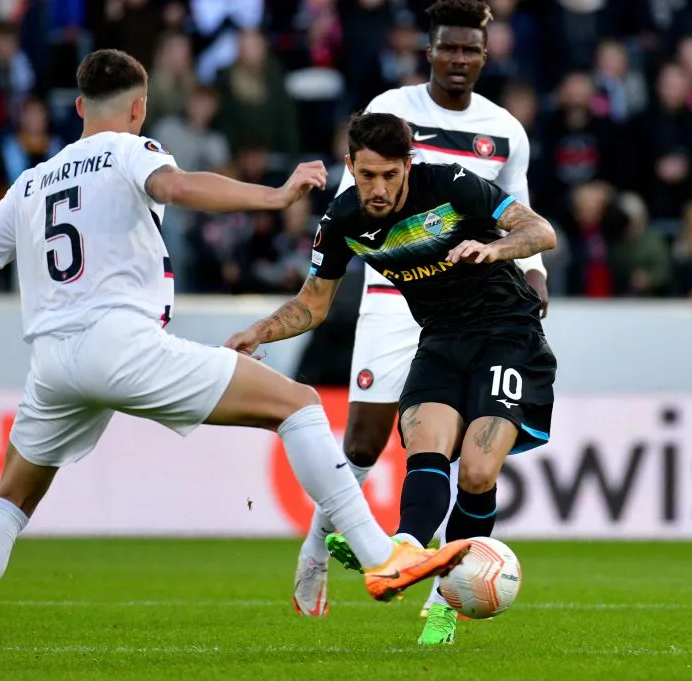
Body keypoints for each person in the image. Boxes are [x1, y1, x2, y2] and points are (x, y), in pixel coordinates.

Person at [0, 50, 468, 675]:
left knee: (9, 502)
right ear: (139, 108)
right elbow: (177, 187)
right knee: (300, 406)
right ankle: (378, 556)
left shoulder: (31, 183)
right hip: (121, 343)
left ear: (77, 109)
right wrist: (276, 194)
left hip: (51, 363)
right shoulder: (129, 150)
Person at [226, 112, 557, 646]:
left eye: (389, 176)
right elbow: (313, 305)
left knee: (474, 470)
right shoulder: (342, 221)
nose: (377, 189)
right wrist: (259, 331)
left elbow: (541, 231)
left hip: (506, 333)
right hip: (440, 340)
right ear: (350, 166)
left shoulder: (450, 185)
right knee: (424, 451)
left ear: (408, 165)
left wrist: (494, 248)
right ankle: (402, 549)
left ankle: (448, 605)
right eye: (366, 176)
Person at [282, 0, 549, 626]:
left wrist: (534, 276)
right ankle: (316, 550)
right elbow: (358, 202)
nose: (458, 60)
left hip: (478, 303)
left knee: (464, 458)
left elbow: (520, 207)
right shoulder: (391, 110)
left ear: (485, 56)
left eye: (470, 51)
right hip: (393, 295)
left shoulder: (505, 128)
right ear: (427, 51)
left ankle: (437, 591)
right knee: (364, 441)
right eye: (447, 49)